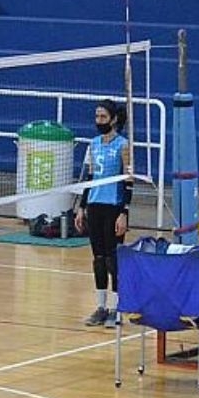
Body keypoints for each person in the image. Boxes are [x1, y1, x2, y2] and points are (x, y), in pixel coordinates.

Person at [75, 99, 131, 329]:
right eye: (97, 117)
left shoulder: (123, 145)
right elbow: (90, 179)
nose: (99, 121)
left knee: (113, 260)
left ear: (113, 119)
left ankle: (117, 309)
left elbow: (128, 182)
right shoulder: (94, 144)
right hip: (94, 206)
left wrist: (124, 213)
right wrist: (81, 207)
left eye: (103, 117)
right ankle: (101, 307)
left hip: (113, 207)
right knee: (98, 258)